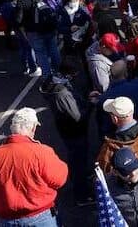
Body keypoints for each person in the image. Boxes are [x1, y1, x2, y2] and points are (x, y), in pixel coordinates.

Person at [0, 107, 68, 227]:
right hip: (39, 217)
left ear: (13, 128)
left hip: (7, 219)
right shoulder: (42, 151)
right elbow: (59, 179)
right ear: (33, 128)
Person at [39, 57, 94, 206]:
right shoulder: (62, 93)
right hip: (74, 131)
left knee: (76, 158)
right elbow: (77, 116)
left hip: (65, 128)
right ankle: (82, 195)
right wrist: (90, 105)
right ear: (69, 73)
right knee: (78, 162)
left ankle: (80, 183)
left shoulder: (53, 81)